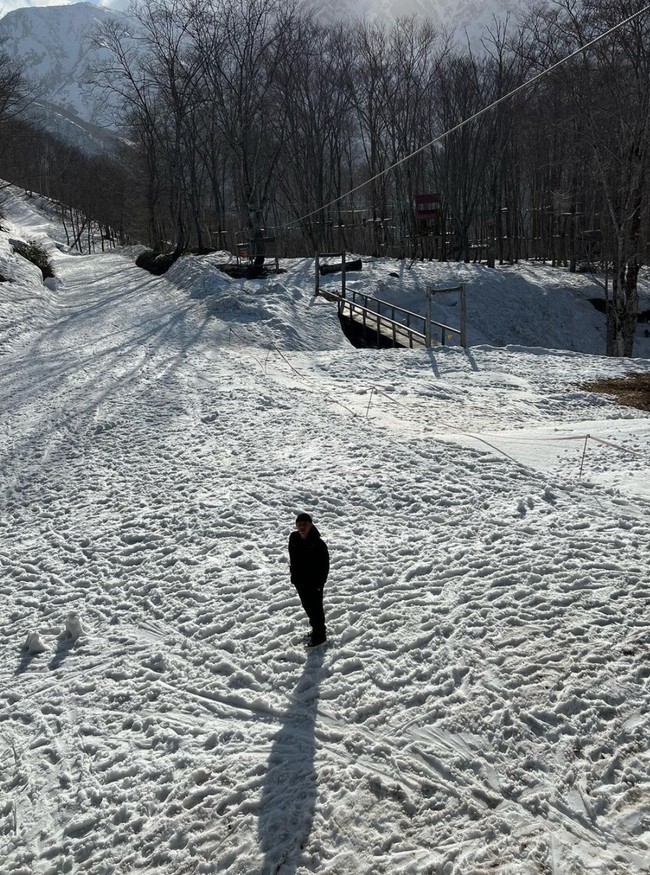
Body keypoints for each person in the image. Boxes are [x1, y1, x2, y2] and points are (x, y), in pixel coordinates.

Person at [288, 512, 329, 646]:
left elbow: (324, 565)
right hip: (300, 581)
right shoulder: (293, 538)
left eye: (305, 524)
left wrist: (319, 583)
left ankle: (320, 636)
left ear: (311, 525)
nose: (302, 527)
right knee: (308, 607)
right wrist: (294, 575)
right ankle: (316, 630)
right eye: (299, 524)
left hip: (314, 582)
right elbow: (293, 559)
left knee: (316, 608)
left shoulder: (318, 543)